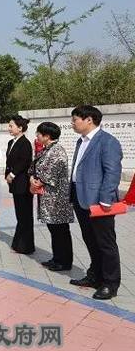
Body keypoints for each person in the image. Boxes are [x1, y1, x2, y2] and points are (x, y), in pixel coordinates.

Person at [69, 105, 123, 300]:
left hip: (100, 203)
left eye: (75, 119)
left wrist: (105, 199)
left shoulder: (107, 142)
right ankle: (95, 275)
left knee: (106, 243)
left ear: (89, 119)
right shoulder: (80, 141)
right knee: (91, 240)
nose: (73, 123)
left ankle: (110, 283)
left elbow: (112, 172)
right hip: (81, 199)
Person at [29, 122, 74, 271]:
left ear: (47, 136)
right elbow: (33, 167)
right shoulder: (45, 150)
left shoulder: (57, 151)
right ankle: (57, 257)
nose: (37, 136)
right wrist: (32, 179)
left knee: (60, 230)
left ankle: (64, 261)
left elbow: (51, 173)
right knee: (54, 229)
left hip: (57, 200)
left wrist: (37, 182)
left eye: (39, 134)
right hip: (47, 197)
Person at [5, 115, 35, 254]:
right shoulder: (12, 142)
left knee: (25, 215)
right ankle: (19, 244)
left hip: (22, 183)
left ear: (20, 128)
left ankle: (26, 246)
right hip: (15, 184)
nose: (9, 128)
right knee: (20, 215)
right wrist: (7, 173)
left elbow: (24, 162)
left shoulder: (25, 143)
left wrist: (12, 174)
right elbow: (9, 161)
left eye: (11, 126)